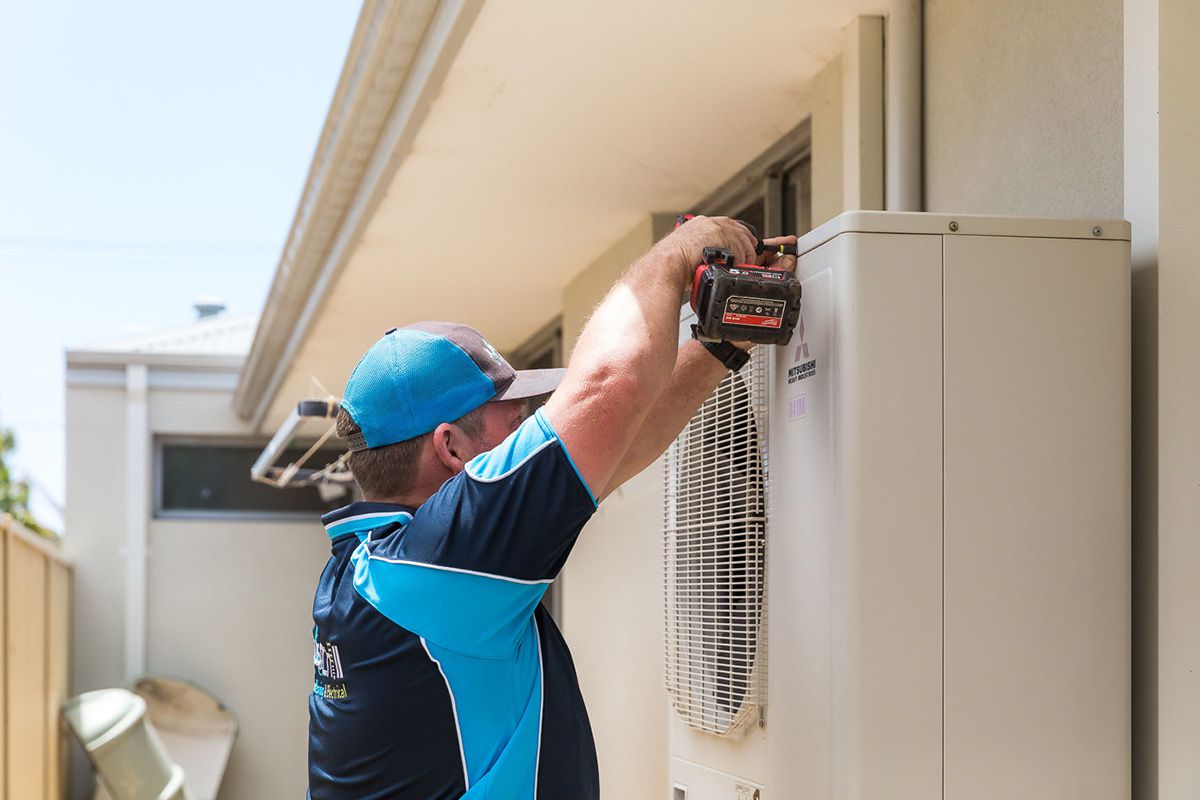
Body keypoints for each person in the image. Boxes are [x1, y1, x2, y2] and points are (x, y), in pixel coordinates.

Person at [307, 216, 797, 799]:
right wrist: (678, 253)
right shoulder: (432, 568)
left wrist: (722, 344)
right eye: (513, 424)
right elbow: (606, 387)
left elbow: (615, 441)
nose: (526, 431)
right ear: (452, 447)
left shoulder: (373, 569)